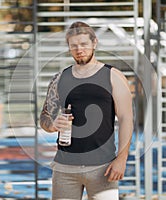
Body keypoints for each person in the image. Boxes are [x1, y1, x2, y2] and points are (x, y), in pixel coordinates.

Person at [40, 21, 133, 200]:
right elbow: (44, 117)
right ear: (69, 47)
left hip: (102, 167)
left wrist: (121, 160)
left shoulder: (113, 76)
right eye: (74, 45)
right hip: (64, 167)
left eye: (83, 44)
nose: (79, 49)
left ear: (94, 43)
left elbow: (126, 119)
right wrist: (52, 125)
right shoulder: (59, 79)